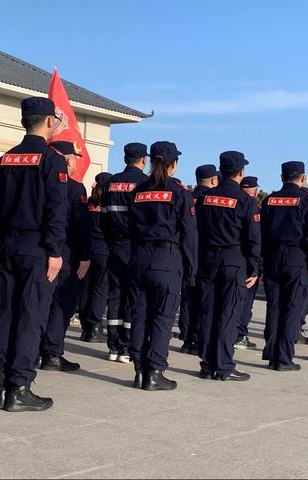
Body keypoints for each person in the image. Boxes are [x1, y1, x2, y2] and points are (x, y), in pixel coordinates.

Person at [0, 97, 67, 412]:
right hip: (36, 248)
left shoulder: (6, 159)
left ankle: (2, 384)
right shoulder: (52, 160)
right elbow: (55, 208)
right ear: (49, 122)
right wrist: (55, 250)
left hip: (7, 245)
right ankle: (19, 387)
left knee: (5, 314)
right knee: (30, 317)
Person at [128, 141, 198, 391]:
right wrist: (191, 270)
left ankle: (138, 368)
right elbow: (189, 234)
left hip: (139, 258)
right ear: (173, 164)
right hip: (166, 259)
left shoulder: (138, 191)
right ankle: (154, 371)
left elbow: (130, 228)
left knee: (139, 315)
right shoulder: (179, 192)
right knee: (162, 317)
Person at [196, 152, 260, 381]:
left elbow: (197, 230)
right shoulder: (245, 200)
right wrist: (254, 268)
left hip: (207, 259)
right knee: (228, 314)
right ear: (240, 173)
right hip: (233, 261)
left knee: (208, 312)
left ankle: (206, 364)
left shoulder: (205, 197)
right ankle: (223, 366)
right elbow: (253, 237)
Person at [260, 161, 308, 371]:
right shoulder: (306, 200)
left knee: (274, 307)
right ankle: (284, 358)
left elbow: (262, 232)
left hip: (272, 258)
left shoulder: (269, 200)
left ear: (281, 177)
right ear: (302, 178)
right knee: (293, 308)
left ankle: (271, 353)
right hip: (296, 257)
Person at [39, 141, 91, 371]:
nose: (77, 162)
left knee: (41, 303)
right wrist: (86, 255)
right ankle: (52, 353)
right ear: (68, 159)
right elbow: (80, 225)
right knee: (62, 304)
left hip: (41, 250)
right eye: (75, 157)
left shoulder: (39, 181)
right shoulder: (74, 188)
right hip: (66, 253)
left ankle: (37, 349)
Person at [102, 143, 148, 362]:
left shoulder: (111, 182)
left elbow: (104, 216)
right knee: (133, 296)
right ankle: (126, 345)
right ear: (143, 160)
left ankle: (112, 346)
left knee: (115, 294)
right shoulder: (144, 183)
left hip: (115, 245)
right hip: (135, 247)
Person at [178, 164, 218, 355]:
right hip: (204, 254)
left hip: (183, 254)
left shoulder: (187, 196)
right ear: (213, 180)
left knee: (187, 298)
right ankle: (196, 337)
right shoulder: (209, 199)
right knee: (203, 299)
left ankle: (186, 338)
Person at [80, 172, 112, 344]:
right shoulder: (109, 205)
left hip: (86, 250)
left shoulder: (88, 204)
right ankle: (95, 327)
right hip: (104, 251)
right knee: (100, 290)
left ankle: (86, 327)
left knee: (85, 288)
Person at [234, 175, 261, 350]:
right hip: (242, 261)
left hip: (213, 260)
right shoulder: (251, 205)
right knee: (244, 304)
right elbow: (255, 238)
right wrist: (256, 267)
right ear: (255, 191)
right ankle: (239, 336)